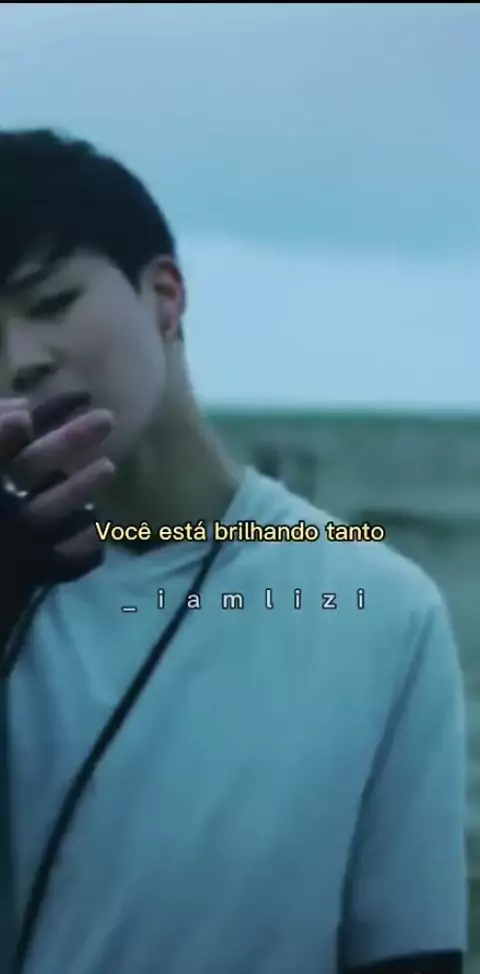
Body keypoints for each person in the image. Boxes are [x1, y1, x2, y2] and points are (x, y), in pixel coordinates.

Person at [0, 128, 466, 974]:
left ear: (165, 297)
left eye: (52, 302)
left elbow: (409, 952)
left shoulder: (377, 607)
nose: (19, 362)